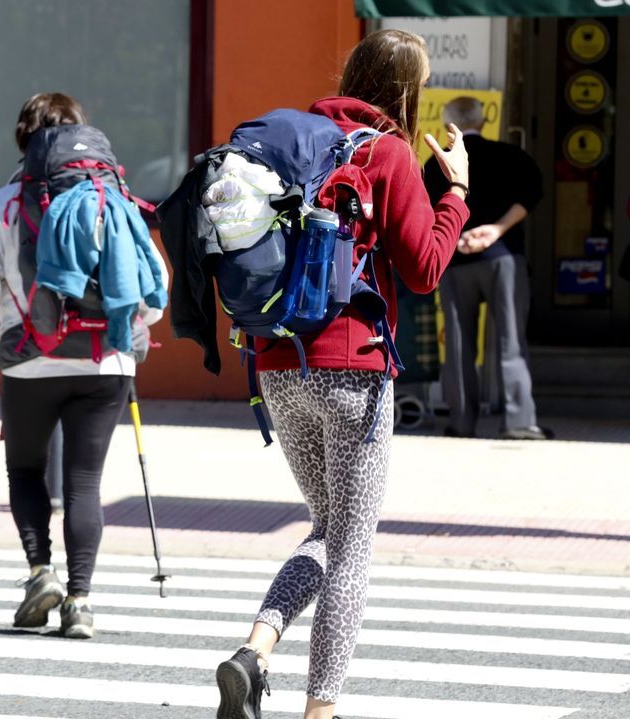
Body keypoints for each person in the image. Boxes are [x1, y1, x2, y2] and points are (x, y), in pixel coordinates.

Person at [213, 30, 470, 719]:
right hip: (354, 369)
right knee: (352, 547)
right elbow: (423, 268)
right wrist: (457, 195)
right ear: (409, 93)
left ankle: (256, 648)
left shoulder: (297, 141)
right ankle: (320, 709)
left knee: (327, 527)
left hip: (276, 365)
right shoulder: (385, 151)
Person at [0, 92, 165, 640]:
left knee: (25, 472)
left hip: (29, 362)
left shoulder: (2, 206)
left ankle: (42, 573)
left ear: (24, 139)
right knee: (85, 483)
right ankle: (81, 601)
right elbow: (152, 297)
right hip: (106, 362)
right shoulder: (117, 201)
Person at [423, 97, 549, 441]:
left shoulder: (435, 166)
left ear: (449, 125)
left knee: (459, 343)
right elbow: (533, 193)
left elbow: (427, 212)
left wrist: (458, 239)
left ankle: (461, 422)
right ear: (481, 120)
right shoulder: (511, 156)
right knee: (510, 339)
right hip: (503, 257)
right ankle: (518, 422)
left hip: (454, 260)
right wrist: (497, 230)